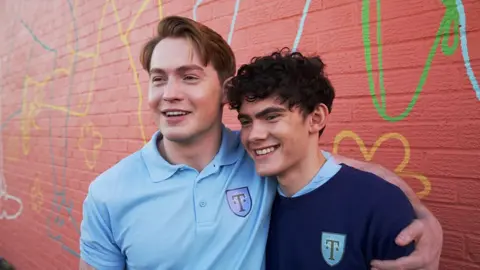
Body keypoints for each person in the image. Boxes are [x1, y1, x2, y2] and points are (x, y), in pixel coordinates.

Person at [79, 15, 442, 270]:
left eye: (189, 77)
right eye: (158, 80)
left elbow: (338, 172)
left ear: (224, 90)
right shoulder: (108, 193)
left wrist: (424, 218)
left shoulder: (258, 157)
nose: (170, 93)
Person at [225, 48, 419, 269]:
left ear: (316, 118)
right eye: (246, 122)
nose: (253, 135)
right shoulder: (253, 199)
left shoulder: (380, 204)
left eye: (271, 117)